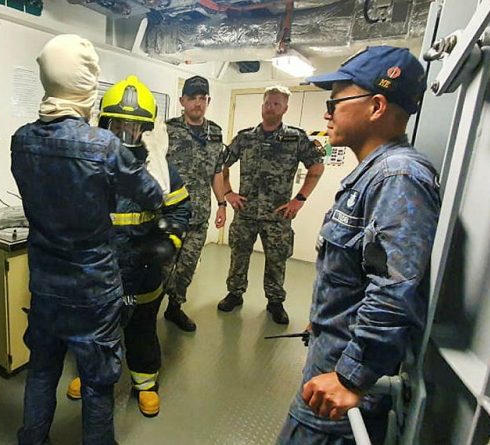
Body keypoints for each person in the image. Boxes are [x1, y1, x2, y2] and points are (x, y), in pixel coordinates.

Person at [277, 46, 441, 444]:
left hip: (339, 387)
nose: (327, 112)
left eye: (335, 101)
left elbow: (393, 289)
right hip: (329, 357)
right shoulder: (374, 174)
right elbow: (359, 271)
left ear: (377, 105)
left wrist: (351, 375)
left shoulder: (397, 176)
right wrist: (325, 318)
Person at [11, 36, 164, 445]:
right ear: (85, 85)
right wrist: (158, 150)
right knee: (97, 381)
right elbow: (152, 195)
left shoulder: (22, 139)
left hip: (44, 282)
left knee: (42, 369)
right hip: (93, 288)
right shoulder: (104, 146)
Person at [65, 75, 192, 418]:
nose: (125, 134)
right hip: (100, 268)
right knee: (95, 329)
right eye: (118, 125)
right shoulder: (89, 162)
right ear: (104, 123)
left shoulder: (160, 167)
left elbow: (181, 207)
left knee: (141, 328)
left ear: (145, 130)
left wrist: (170, 240)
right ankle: (87, 374)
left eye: (133, 127)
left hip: (144, 266)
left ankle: (145, 383)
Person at [216, 85, 325, 324]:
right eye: (267, 102)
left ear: (285, 108)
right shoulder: (245, 138)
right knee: (238, 255)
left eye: (276, 103)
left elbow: (316, 167)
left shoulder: (296, 138)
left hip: (278, 215)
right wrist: (229, 193)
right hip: (245, 212)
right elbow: (221, 165)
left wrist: (300, 199)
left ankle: (275, 301)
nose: (271, 107)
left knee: (277, 260)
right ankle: (235, 293)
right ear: (262, 105)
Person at [162, 75, 228, 332]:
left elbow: (217, 171)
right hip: (170, 214)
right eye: (192, 98)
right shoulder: (168, 130)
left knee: (187, 267)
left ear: (208, 101)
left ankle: (174, 308)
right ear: (182, 101)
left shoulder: (216, 133)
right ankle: (146, 311)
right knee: (162, 266)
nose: (198, 103)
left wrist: (222, 204)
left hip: (200, 215)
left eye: (203, 98)